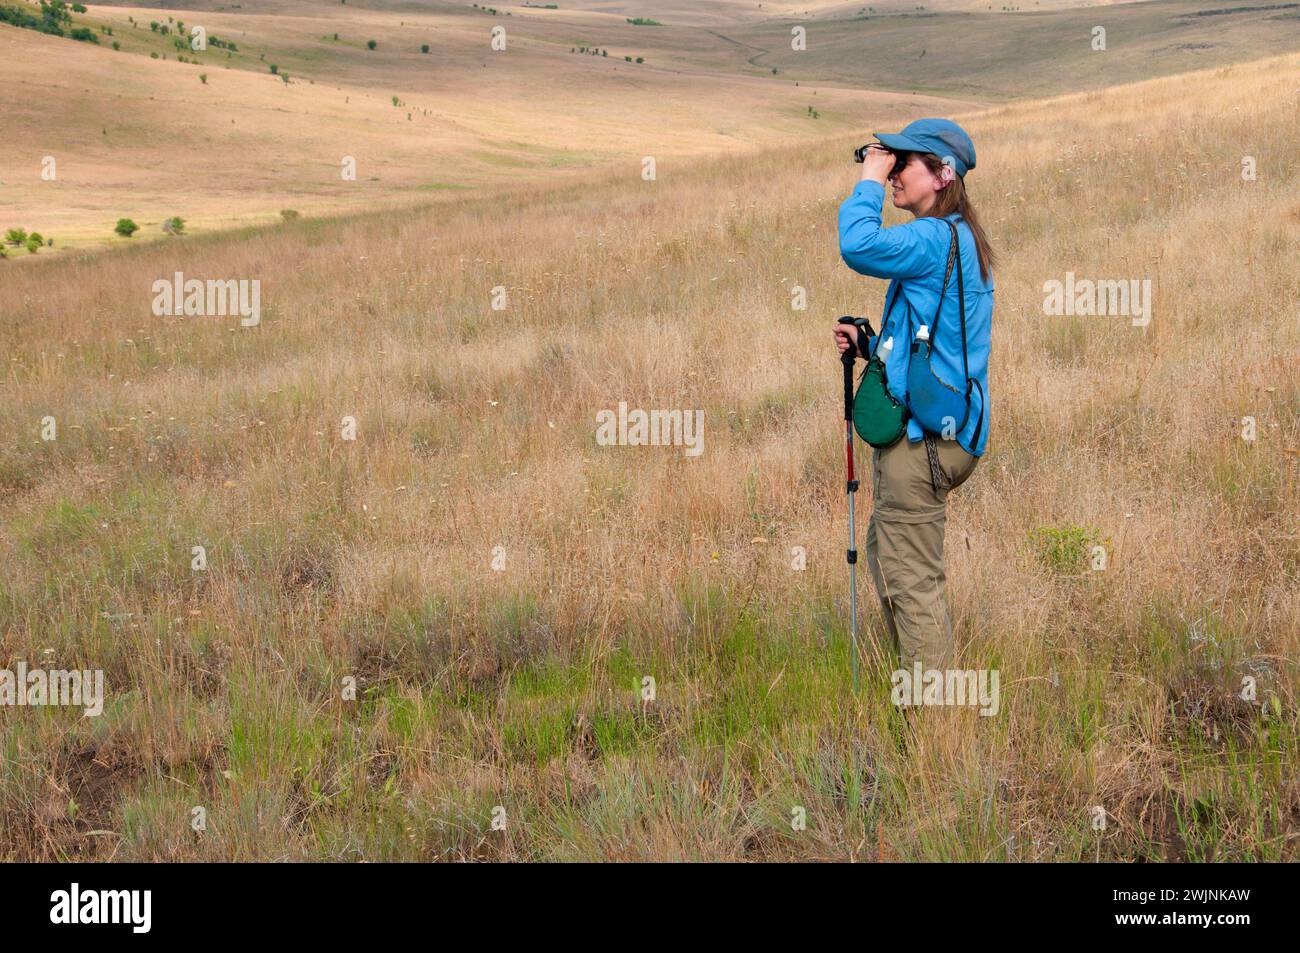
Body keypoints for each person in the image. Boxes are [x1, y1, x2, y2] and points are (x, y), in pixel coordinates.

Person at [833, 118, 995, 673]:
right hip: (945, 427)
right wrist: (872, 343)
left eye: (905, 162)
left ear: (942, 174)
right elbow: (936, 342)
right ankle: (916, 699)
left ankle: (932, 734)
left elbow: (857, 244)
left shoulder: (932, 238)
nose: (895, 171)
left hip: (922, 443)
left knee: (912, 585)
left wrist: (869, 179)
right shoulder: (958, 238)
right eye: (890, 160)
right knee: (890, 559)